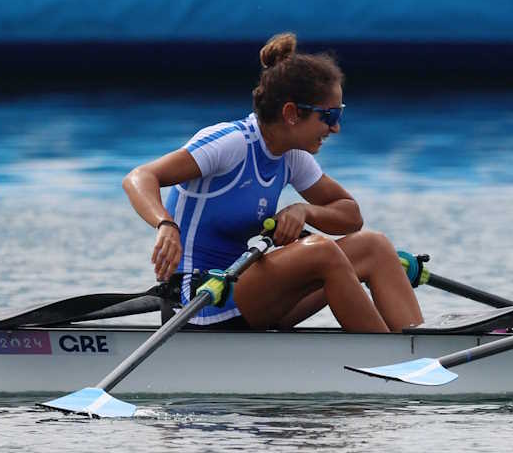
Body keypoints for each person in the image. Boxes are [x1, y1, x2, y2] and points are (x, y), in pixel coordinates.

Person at [122, 32, 423, 333]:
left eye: (339, 114)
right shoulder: (231, 143)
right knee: (320, 250)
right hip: (195, 299)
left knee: (374, 245)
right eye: (329, 115)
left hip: (241, 290)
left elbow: (351, 215)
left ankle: (416, 345)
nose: (336, 127)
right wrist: (165, 224)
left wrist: (306, 211)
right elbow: (139, 177)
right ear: (291, 114)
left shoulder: (291, 156)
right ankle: (388, 361)